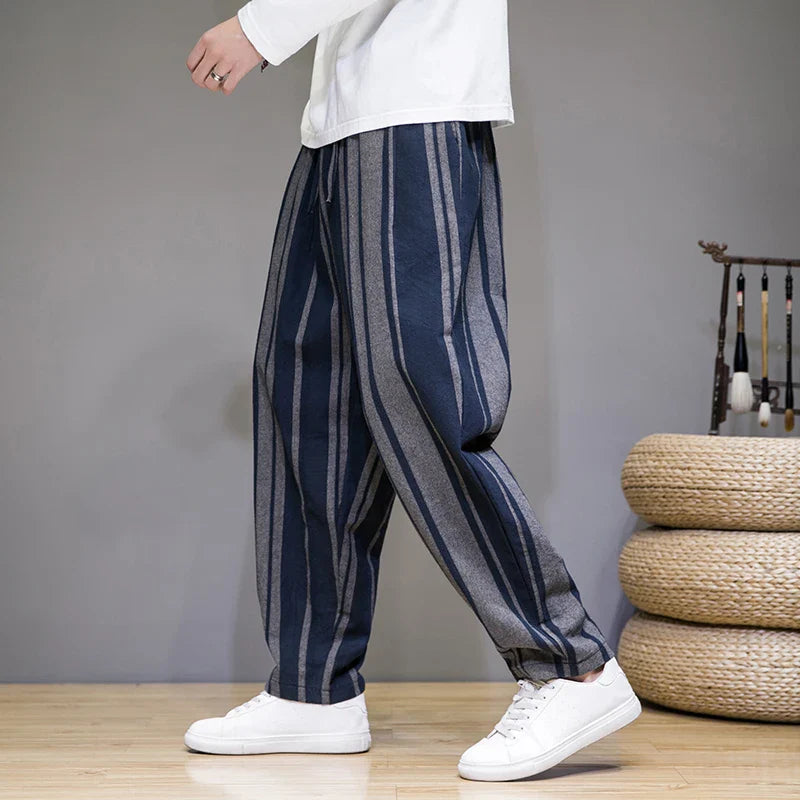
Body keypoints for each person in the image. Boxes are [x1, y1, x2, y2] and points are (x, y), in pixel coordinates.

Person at [183, 0, 641, 782]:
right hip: (342, 122)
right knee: (309, 394)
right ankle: (314, 689)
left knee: (421, 392)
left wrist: (260, 28)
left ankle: (572, 664)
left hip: (413, 110)